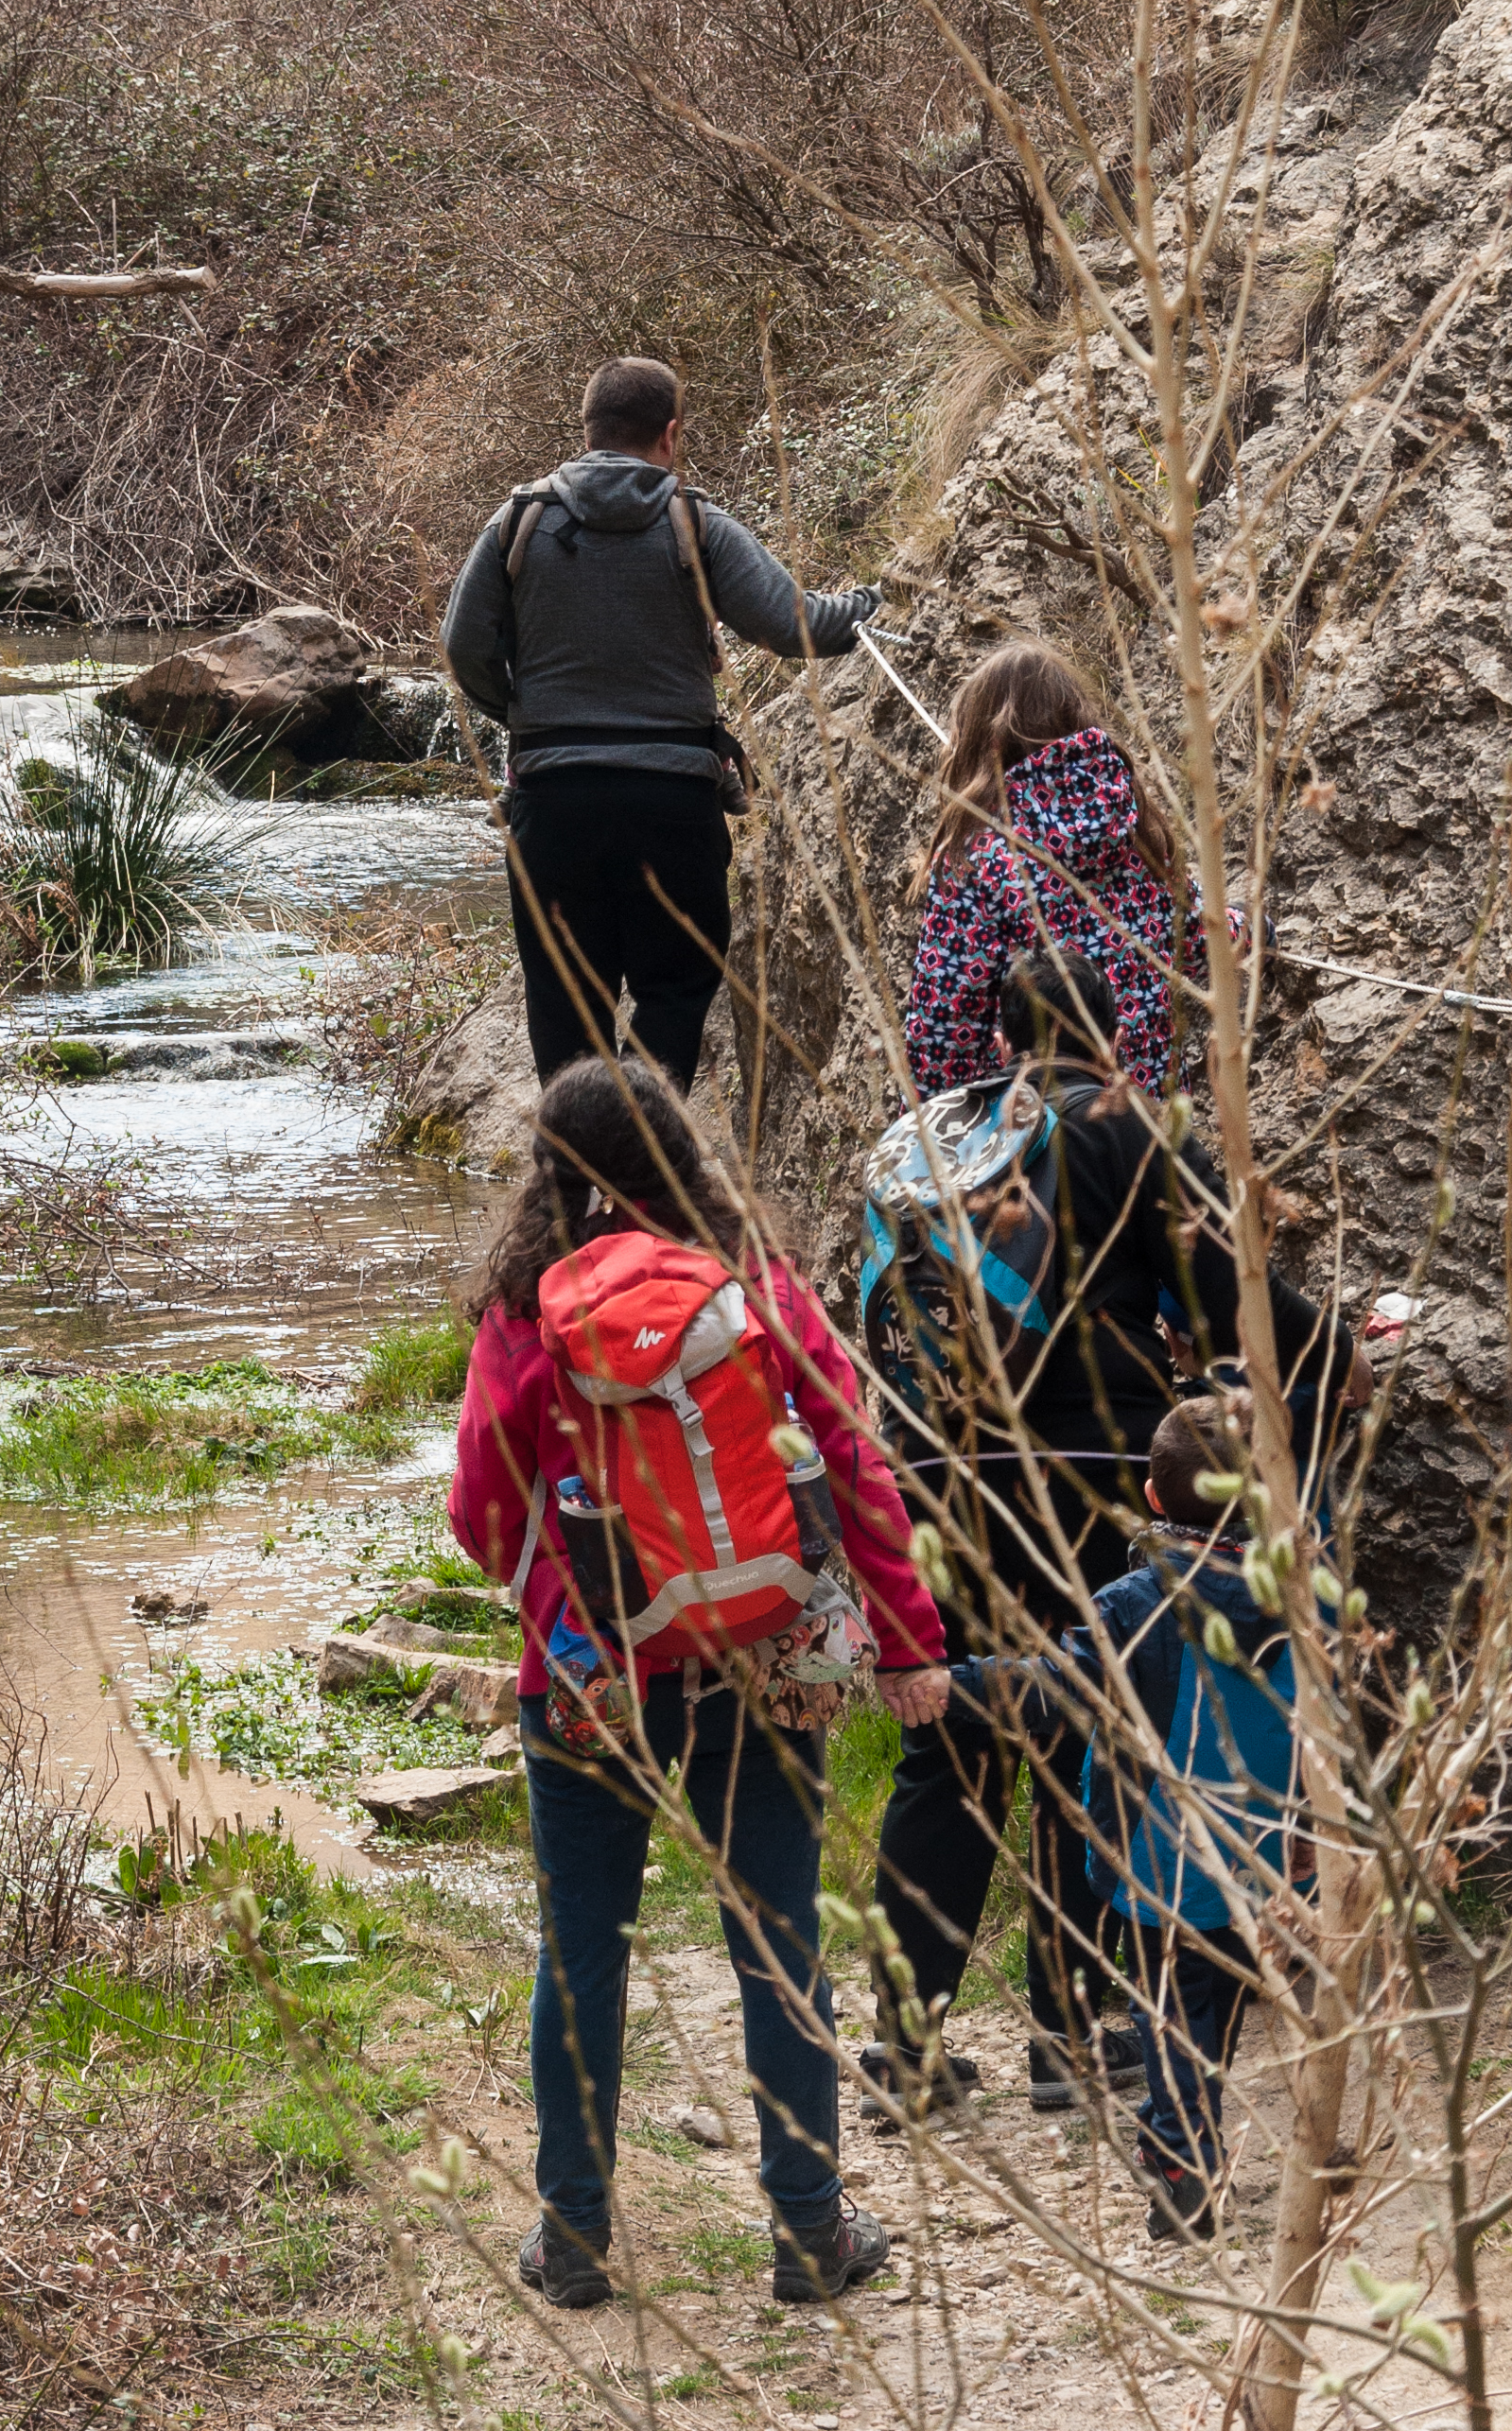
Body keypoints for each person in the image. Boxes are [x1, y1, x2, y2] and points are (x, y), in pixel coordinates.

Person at [447, 1056, 948, 2308]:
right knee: (779, 1945)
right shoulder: (753, 1287)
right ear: (680, 1151)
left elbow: (482, 1519)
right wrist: (909, 1641)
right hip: (762, 1663)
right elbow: (851, 1463)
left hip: (592, 1679)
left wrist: (560, 1577)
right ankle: (809, 2230)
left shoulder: (523, 1318)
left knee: (582, 1953)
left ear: (551, 1171)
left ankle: (573, 2240)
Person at [862, 945, 1368, 2121]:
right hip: (1091, 1481)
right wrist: (1337, 1357)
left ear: (1001, 1042)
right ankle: (1067, 2036)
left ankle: (905, 2047)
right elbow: (1235, 1294)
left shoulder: (937, 1143)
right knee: (1085, 1733)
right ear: (1113, 1034)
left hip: (940, 1479)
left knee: (951, 1749)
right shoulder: (1124, 1128)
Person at [443, 356, 878, 1090]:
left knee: (565, 1008)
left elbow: (462, 648)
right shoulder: (697, 524)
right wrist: (882, 600)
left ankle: (577, 1154)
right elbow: (796, 626)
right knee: (675, 991)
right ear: (670, 434)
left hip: (553, 807)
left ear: (587, 431)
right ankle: (646, 1144)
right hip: (674, 804)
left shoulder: (517, 521)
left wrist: (523, 717)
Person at [947, 1394, 1311, 2239]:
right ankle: (1182, 2126)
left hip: (1159, 1855)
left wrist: (953, 1685)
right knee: (1217, 2002)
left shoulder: (1136, 1601)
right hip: (1264, 1847)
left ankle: (1183, 2167)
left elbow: (1057, 1690)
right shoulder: (1303, 1591)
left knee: (1171, 2010)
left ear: (1152, 1497)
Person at [903, 639, 1232, 1103]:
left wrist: (923, 1130)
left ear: (979, 741)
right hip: (1143, 1121)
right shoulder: (1133, 821)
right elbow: (1195, 938)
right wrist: (1253, 930)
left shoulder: (978, 859)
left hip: (1036, 1126)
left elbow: (943, 1030)